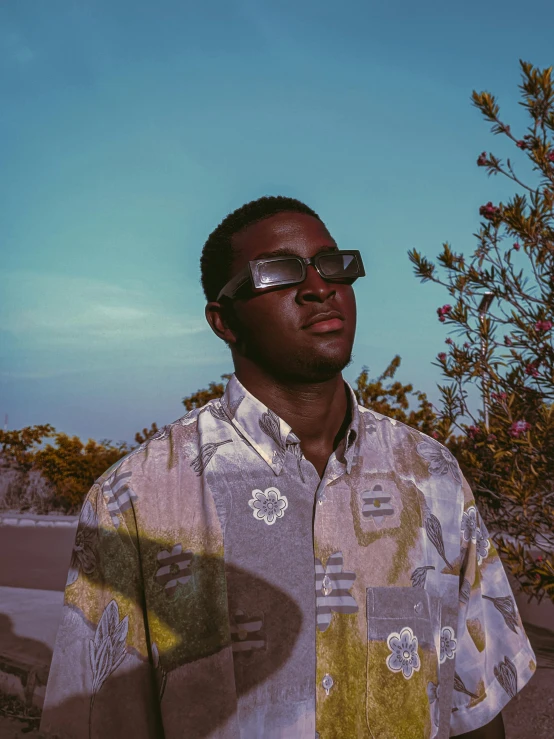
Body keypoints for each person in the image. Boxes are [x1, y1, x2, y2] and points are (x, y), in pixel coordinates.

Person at [41, 196, 536, 739]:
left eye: (333, 265)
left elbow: (476, 702)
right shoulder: (135, 497)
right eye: (277, 272)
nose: (319, 288)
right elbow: (99, 721)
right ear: (223, 321)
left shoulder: (433, 474)